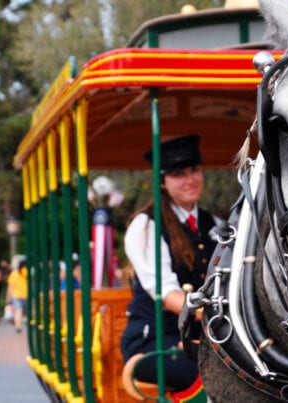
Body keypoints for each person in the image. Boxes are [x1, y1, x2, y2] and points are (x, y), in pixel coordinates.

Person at [120, 134, 218, 391]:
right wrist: (215, 316)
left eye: (194, 170)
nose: (190, 180)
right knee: (213, 372)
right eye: (179, 174)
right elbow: (167, 294)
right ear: (162, 181)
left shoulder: (216, 225)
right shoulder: (145, 226)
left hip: (205, 337)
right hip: (154, 340)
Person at [6, 255, 28, 333]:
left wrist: (8, 297)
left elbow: (10, 287)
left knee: (18, 310)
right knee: (25, 311)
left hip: (16, 295)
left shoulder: (14, 273)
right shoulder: (26, 271)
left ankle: (18, 326)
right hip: (25, 294)